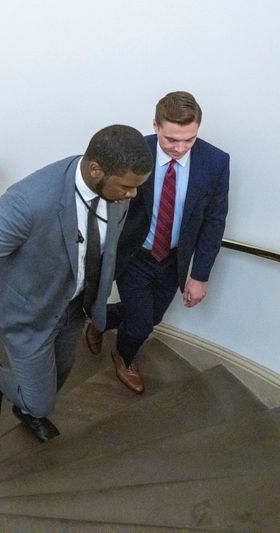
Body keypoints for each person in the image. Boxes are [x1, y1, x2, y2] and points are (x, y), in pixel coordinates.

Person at [0, 125, 153, 442]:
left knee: (58, 375)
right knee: (42, 401)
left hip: (73, 307)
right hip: (28, 313)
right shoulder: (28, 200)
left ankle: (27, 409)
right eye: (127, 187)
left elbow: (105, 247)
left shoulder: (115, 190)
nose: (133, 194)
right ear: (96, 170)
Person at [85, 92, 230, 394]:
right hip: (134, 255)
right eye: (171, 140)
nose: (179, 148)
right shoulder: (135, 152)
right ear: (155, 126)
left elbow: (214, 222)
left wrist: (199, 275)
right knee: (140, 325)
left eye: (188, 140)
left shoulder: (216, 162)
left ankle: (100, 321)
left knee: (153, 317)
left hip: (173, 259)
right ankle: (124, 358)